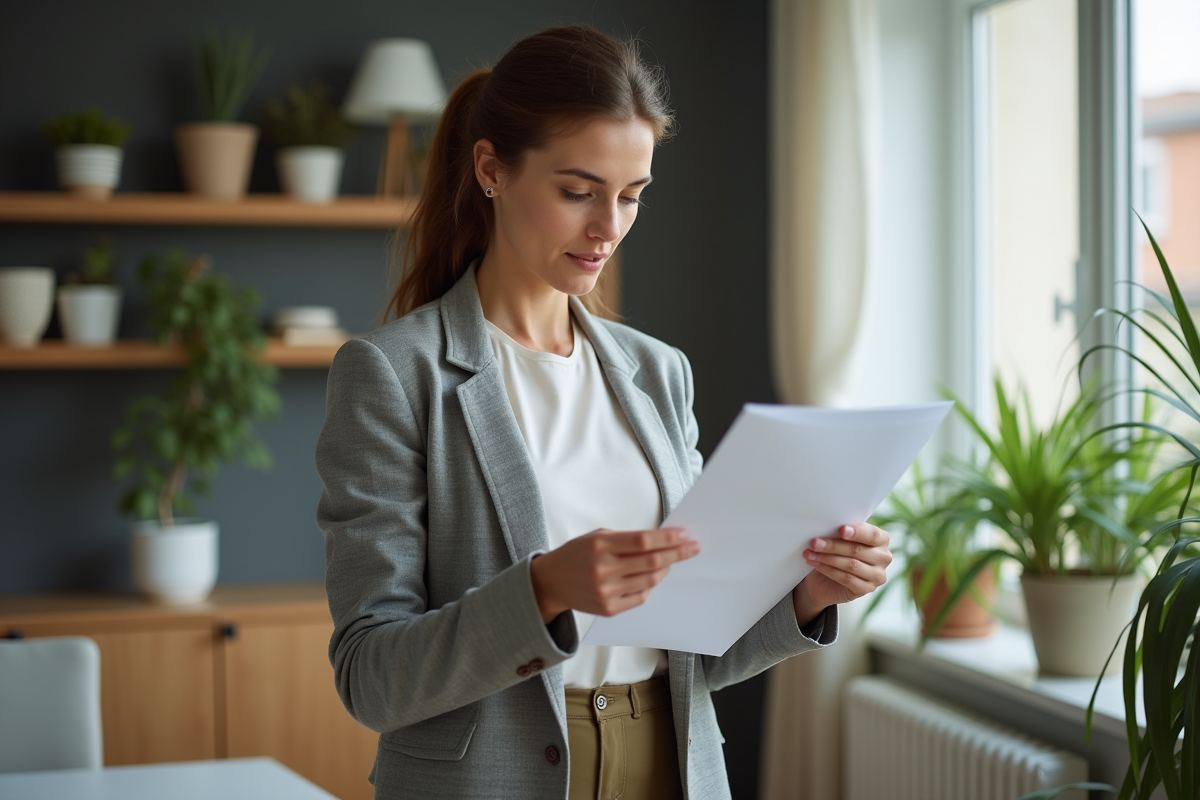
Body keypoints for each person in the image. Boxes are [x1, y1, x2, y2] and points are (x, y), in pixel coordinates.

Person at [315, 23, 892, 800]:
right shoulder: (391, 374)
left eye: (631, 196)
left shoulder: (658, 373)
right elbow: (371, 677)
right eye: (578, 191)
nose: (608, 227)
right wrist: (543, 591)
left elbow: (692, 652)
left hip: (671, 764)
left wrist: (808, 597)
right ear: (491, 169)